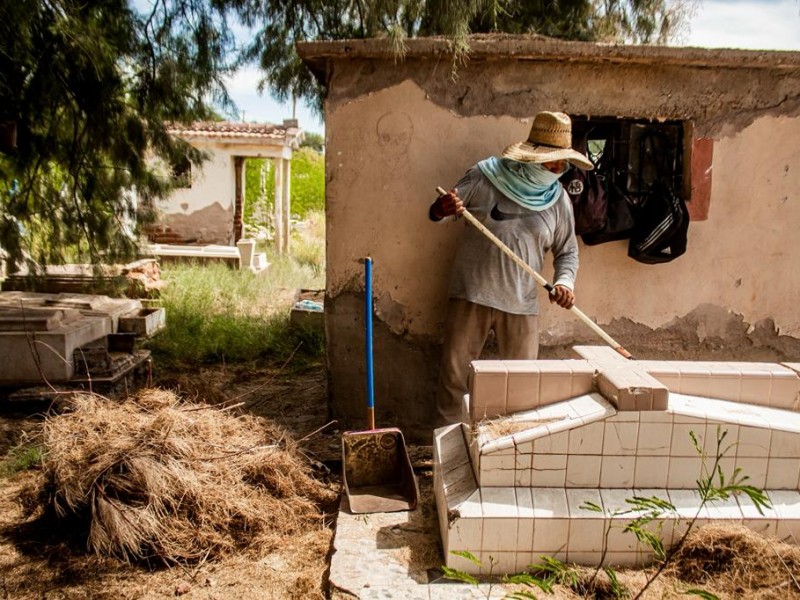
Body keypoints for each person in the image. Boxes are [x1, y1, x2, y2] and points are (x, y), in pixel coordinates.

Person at [429, 111, 593, 426]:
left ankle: (508, 454)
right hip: (472, 296)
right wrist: (441, 208)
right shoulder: (484, 177)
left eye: (562, 164)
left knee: (521, 390)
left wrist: (565, 283)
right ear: (531, 156)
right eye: (551, 162)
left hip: (522, 304)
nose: (558, 169)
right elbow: (440, 211)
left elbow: (567, 251)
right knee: (454, 381)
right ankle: (445, 451)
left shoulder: (558, 200)